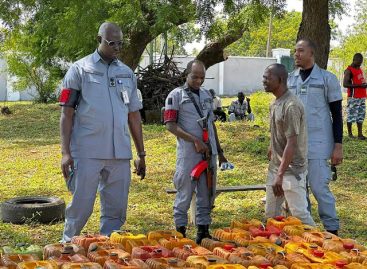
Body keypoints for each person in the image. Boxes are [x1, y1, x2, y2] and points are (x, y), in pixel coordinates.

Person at [59, 22, 146, 242]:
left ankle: (109, 251)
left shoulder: (127, 73)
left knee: (116, 211)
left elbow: (134, 115)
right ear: (99, 40)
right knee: (81, 206)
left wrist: (141, 154)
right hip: (88, 150)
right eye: (111, 42)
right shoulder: (79, 69)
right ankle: (67, 247)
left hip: (119, 153)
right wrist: (65, 152)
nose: (117, 47)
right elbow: (66, 113)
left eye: (120, 43)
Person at [164, 60, 227, 244]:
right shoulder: (175, 96)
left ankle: (203, 232)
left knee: (207, 192)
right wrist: (195, 140)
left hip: (209, 153)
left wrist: (220, 151)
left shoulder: (207, 95)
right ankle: (181, 234)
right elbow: (170, 125)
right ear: (186, 75)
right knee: (184, 193)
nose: (199, 81)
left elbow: (211, 124)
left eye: (202, 77)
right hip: (189, 154)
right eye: (195, 77)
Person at [288, 38, 343, 235]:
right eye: (295, 51)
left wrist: (338, 145)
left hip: (319, 144)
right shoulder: (290, 79)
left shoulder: (327, 79)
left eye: (301, 51)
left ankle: (332, 230)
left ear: (312, 53)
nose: (296, 54)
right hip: (295, 147)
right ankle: (307, 232)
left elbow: (337, 114)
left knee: (320, 189)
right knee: (299, 192)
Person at [263, 63, 315, 226]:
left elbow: (292, 144)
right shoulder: (275, 103)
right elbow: (279, 132)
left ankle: (324, 246)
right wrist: (272, 146)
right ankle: (276, 247)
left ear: (281, 79)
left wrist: (280, 175)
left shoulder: (291, 105)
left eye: (268, 78)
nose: (264, 81)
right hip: (276, 168)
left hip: (291, 171)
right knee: (271, 215)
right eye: (264, 77)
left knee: (300, 216)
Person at [343, 53, 367, 139]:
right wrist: (360, 86)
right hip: (353, 97)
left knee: (361, 115)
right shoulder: (348, 70)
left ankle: (360, 134)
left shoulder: (359, 69)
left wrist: (364, 84)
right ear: (354, 60)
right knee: (351, 116)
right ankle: (350, 134)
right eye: (359, 62)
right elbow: (345, 84)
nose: (360, 64)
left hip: (362, 97)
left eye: (361, 62)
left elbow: (360, 80)